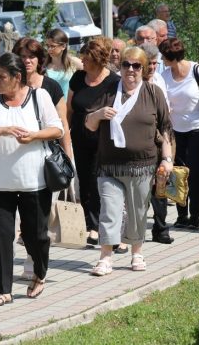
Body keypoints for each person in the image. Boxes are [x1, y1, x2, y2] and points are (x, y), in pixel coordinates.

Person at [0, 52, 63, 306]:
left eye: (1, 77)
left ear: (17, 77)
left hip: (34, 183)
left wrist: (34, 135)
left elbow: (58, 129)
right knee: (1, 238)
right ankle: (4, 290)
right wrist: (1, 130)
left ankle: (39, 273)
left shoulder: (39, 96)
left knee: (36, 236)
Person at [85, 47, 173, 274]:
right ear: (120, 67)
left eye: (136, 66)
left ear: (143, 69)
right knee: (109, 210)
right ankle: (106, 257)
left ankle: (137, 253)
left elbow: (165, 130)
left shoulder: (154, 93)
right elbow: (88, 124)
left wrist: (167, 159)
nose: (130, 70)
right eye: (126, 65)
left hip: (142, 167)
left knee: (137, 212)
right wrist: (97, 115)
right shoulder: (107, 91)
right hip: (109, 166)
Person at [12, 37, 72, 280]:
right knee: (20, 217)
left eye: (31, 56)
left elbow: (63, 125)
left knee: (39, 216)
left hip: (46, 160)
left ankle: (32, 261)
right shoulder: (10, 84)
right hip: (15, 158)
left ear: (39, 60)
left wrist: (69, 160)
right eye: (23, 56)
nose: (27, 60)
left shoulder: (51, 87)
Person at [160, 38, 199, 229]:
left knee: (193, 171)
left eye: (163, 55)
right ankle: (181, 216)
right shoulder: (165, 74)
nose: (161, 58)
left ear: (170, 56)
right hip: (176, 130)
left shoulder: (197, 70)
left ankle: (195, 216)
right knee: (178, 173)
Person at [67, 39, 120, 245]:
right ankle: (90, 224)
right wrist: (65, 137)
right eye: (82, 57)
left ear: (99, 61)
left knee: (97, 181)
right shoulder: (79, 77)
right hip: (79, 137)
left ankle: (98, 226)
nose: (83, 62)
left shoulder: (113, 81)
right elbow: (70, 109)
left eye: (87, 59)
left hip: (103, 139)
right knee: (84, 183)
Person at [139, 42, 173, 244]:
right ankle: (136, 231)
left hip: (162, 138)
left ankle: (161, 229)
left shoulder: (159, 79)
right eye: (148, 64)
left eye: (154, 63)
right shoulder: (130, 82)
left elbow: (166, 113)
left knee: (161, 186)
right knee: (141, 190)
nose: (152, 68)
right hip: (141, 142)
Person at [44, 28, 83, 100]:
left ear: (63, 46)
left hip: (68, 109)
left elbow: (93, 71)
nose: (49, 49)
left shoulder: (73, 62)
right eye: (47, 45)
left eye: (52, 46)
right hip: (48, 108)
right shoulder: (44, 65)